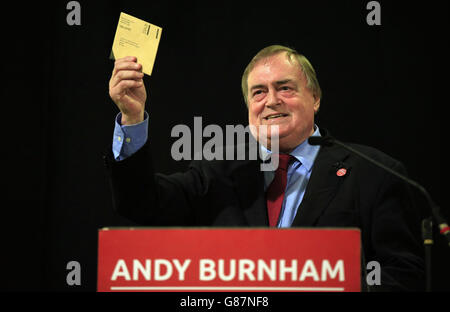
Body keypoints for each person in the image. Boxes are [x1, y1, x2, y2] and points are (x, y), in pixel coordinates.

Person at [104, 45, 424, 291]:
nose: (271, 101)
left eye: (285, 88)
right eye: (259, 92)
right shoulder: (219, 171)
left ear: (315, 98)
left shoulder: (376, 174)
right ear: (249, 109)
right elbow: (142, 204)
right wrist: (132, 118)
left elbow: (403, 277)